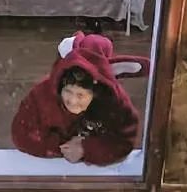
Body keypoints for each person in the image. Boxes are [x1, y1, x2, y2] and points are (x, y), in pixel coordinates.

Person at [11, 31, 148, 165]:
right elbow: (22, 134)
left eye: (80, 95)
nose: (72, 101)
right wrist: (61, 147)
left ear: (97, 92)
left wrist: (87, 149)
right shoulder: (41, 95)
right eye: (68, 91)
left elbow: (124, 140)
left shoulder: (114, 101)